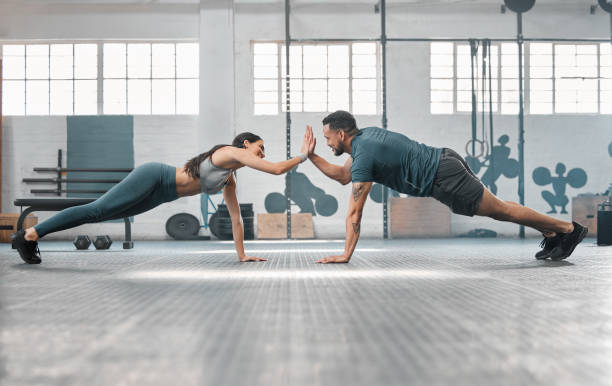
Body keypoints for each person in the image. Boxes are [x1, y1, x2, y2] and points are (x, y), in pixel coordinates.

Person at [304, 110, 588, 264]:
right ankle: (552, 232)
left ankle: (567, 230)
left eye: (328, 138)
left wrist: (345, 255)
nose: (327, 143)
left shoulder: (364, 155)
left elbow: (354, 213)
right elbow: (343, 176)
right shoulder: (365, 138)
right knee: (499, 211)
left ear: (342, 134)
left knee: (500, 211)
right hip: (443, 162)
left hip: (443, 175)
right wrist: (311, 156)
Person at [11, 132, 313, 264]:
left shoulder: (229, 178)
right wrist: (303, 155)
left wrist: (242, 254)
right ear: (246, 144)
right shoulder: (230, 152)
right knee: (97, 209)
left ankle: (30, 236)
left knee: (102, 214)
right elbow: (275, 170)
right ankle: (28, 235)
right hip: (155, 176)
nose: (263, 153)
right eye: (260, 147)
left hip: (162, 194)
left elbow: (235, 220)